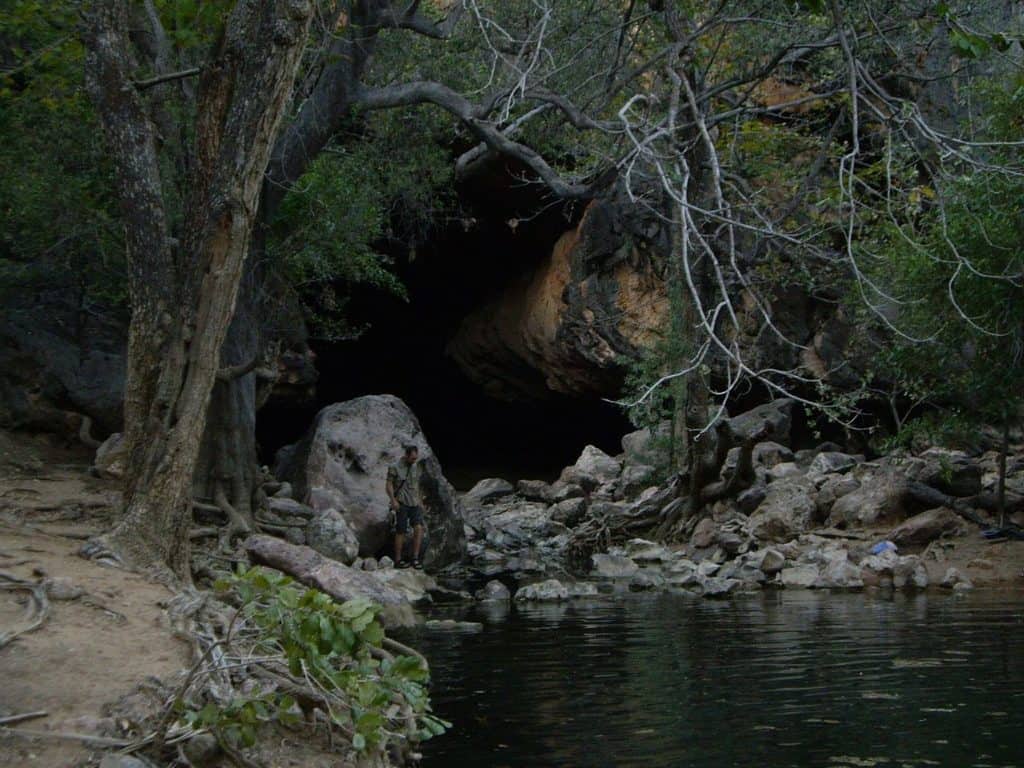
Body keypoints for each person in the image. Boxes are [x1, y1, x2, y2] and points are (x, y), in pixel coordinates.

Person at [386, 443, 426, 569]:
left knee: (418, 528)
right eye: (413, 458)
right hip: (402, 503)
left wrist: (421, 502)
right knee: (401, 531)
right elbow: (389, 485)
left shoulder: (416, 467)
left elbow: (417, 485)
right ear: (406, 456)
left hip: (414, 503)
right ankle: (398, 560)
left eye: (416, 458)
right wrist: (393, 500)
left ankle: (415, 558)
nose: (415, 460)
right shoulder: (395, 467)